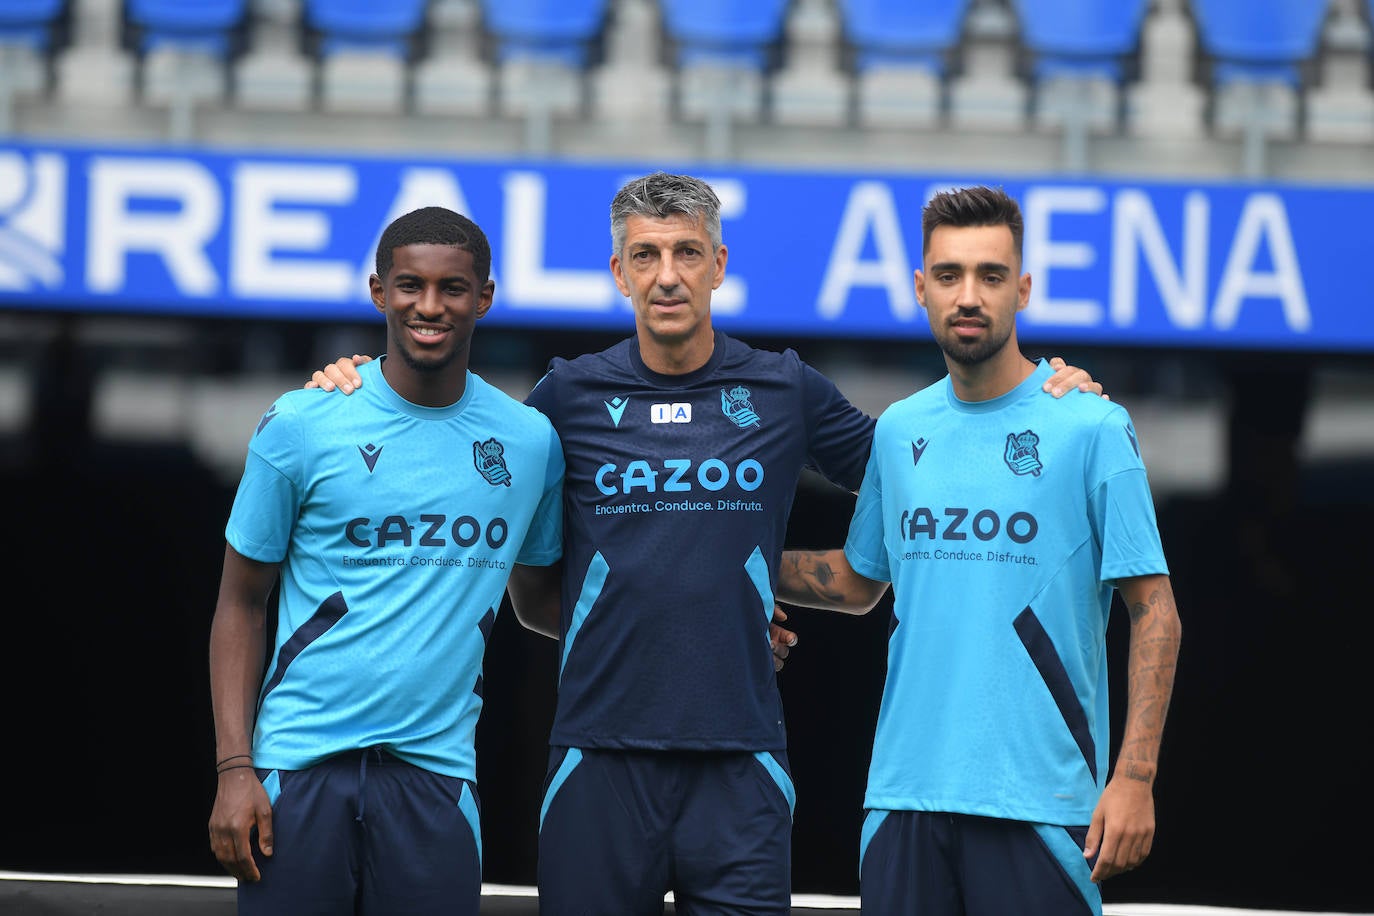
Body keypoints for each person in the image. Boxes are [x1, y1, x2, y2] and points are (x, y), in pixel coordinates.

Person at [309, 173, 1103, 914]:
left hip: (741, 765)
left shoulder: (784, 388)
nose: (667, 276)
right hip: (598, 760)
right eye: (646, 255)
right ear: (618, 272)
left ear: (717, 263)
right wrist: (355, 384)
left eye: (687, 252)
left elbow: (921, 462)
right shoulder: (566, 399)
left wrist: (1038, 398)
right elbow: (500, 535)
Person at [777, 186, 1182, 916]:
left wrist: (1135, 778)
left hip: (1040, 805)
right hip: (904, 800)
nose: (969, 295)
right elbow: (857, 581)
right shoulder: (899, 432)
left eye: (991, 276)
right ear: (920, 289)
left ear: (1022, 289)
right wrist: (728, 564)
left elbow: (1155, 611)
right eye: (949, 275)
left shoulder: (1091, 427)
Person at [207, 206, 565, 916]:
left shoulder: (529, 443)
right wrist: (234, 770)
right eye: (409, 285)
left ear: (484, 298)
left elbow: (542, 600)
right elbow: (240, 604)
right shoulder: (302, 423)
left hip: (436, 783)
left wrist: (708, 623)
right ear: (379, 291)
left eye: (452, 289)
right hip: (297, 773)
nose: (429, 306)